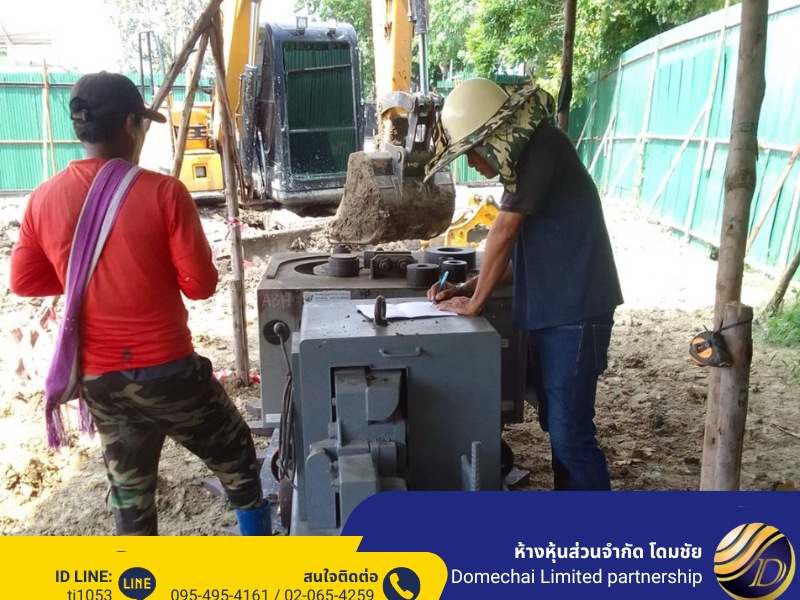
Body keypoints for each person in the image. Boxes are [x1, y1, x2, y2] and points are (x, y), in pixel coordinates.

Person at [9, 72, 269, 535]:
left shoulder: (43, 197)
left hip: (101, 382)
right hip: (169, 374)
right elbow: (201, 286)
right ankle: (262, 555)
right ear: (131, 124)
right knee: (237, 457)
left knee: (130, 495)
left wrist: (84, 276)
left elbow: (25, 281)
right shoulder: (164, 192)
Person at [425, 78, 623, 491]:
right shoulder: (527, 163)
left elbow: (503, 231)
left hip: (575, 314)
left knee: (572, 436)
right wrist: (468, 287)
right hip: (557, 313)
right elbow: (521, 259)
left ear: (493, 136)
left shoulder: (541, 147)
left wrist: (476, 303)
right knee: (560, 429)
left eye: (472, 151)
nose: (473, 164)